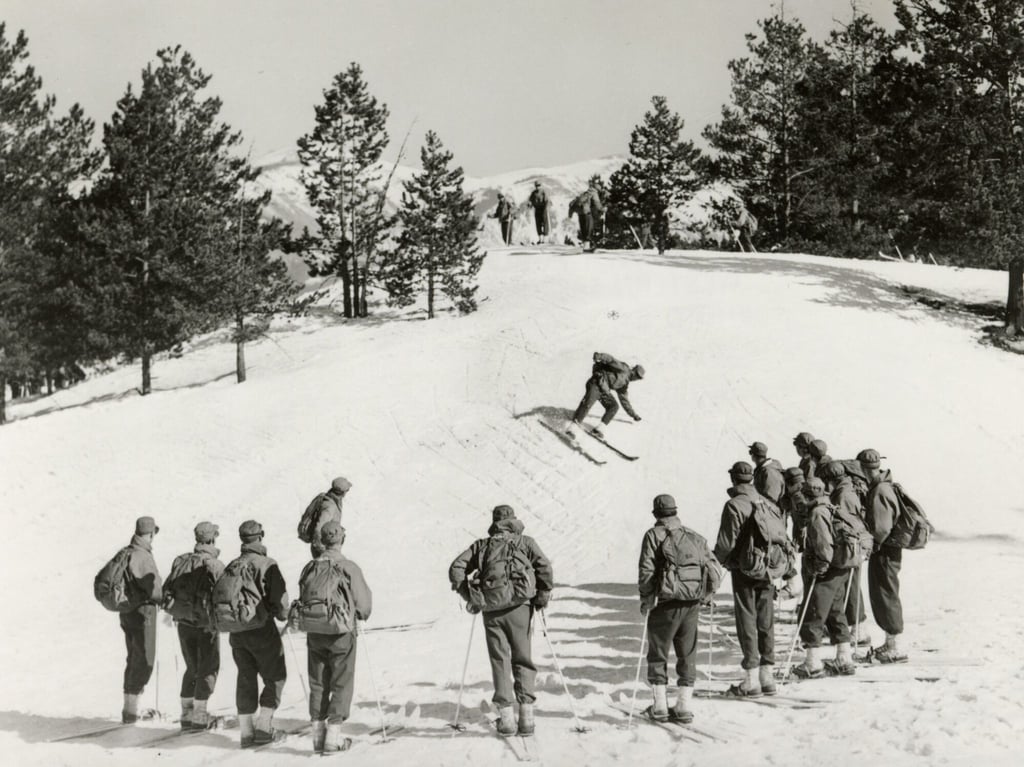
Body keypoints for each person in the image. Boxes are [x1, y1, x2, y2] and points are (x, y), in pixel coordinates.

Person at [448, 505, 554, 737]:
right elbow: (544, 567)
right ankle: (526, 718)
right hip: (520, 607)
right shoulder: (525, 542)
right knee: (523, 658)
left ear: (494, 522)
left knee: (500, 660)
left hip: (492, 611)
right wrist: (542, 596)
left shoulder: (482, 546)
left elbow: (456, 569)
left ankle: (506, 720)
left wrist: (472, 598)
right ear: (514, 520)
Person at [638, 494, 721, 723]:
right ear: (675, 512)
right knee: (687, 653)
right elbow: (712, 567)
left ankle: (660, 706)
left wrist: (646, 600)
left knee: (658, 653)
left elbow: (647, 571)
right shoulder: (693, 536)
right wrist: (705, 595)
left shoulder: (653, 535)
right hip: (692, 603)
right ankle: (684, 706)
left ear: (656, 514)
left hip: (665, 603)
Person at [295, 522, 373, 754]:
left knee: (318, 682)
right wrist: (359, 614)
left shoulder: (309, 567)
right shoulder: (348, 567)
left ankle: (317, 737)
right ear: (341, 540)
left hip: (315, 631)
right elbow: (364, 605)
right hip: (341, 632)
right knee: (341, 681)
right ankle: (333, 738)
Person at [714, 462, 784, 697]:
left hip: (744, 569)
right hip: (768, 568)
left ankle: (751, 679)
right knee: (766, 619)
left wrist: (723, 561)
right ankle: (768, 676)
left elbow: (726, 543)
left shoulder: (734, 505)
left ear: (734, 479)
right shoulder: (766, 502)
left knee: (747, 619)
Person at [220, 520, 290, 747]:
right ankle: (264, 727)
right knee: (275, 676)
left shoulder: (231, 565)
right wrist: (284, 616)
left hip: (237, 633)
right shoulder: (266, 564)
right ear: (261, 536)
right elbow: (280, 603)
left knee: (245, 677)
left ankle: (246, 732)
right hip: (261, 630)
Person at [163, 521, 225, 731]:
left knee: (191, 667)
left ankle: (186, 713)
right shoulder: (215, 565)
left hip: (184, 623)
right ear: (212, 539)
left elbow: (166, 589)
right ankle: (199, 716)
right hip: (207, 625)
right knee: (208, 667)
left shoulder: (181, 561)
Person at [792, 479, 855, 678]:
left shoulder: (817, 513)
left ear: (807, 494)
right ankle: (844, 658)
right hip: (840, 569)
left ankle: (813, 663)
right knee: (836, 612)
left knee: (813, 613)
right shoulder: (830, 507)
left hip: (826, 570)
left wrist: (820, 568)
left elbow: (823, 545)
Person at [858, 449, 908, 664]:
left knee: (885, 594)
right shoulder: (887, 485)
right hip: (888, 549)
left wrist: (871, 544)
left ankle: (895, 646)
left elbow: (881, 527)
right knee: (886, 593)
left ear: (862, 468)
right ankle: (891, 642)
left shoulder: (879, 490)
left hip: (884, 550)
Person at [118, 516, 164, 723]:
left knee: (133, 655)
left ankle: (129, 709)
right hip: (144, 611)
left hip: (127, 611)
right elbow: (153, 590)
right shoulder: (143, 555)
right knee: (145, 659)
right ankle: (133, 710)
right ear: (151, 533)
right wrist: (164, 599)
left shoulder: (126, 551)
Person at [821, 462, 870, 647]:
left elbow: (847, 524)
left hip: (850, 548)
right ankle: (857, 628)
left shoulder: (843, 495)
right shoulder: (847, 489)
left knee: (852, 587)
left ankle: (859, 629)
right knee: (851, 586)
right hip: (853, 547)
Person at [568, 351, 644, 439]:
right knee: (588, 403)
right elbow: (611, 360)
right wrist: (599, 356)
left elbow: (624, 401)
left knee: (613, 406)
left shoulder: (624, 385)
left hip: (604, 390)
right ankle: (572, 428)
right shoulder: (624, 369)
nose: (637, 379)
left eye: (639, 378)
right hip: (596, 383)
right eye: (638, 377)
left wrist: (634, 415)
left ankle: (598, 429)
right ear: (634, 372)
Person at [299, 477, 352, 557]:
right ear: (341, 492)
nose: (347, 492)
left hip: (327, 545)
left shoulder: (328, 498)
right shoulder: (330, 507)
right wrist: (323, 550)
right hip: (325, 548)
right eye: (347, 490)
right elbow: (318, 529)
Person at [777, 467, 807, 600]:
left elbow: (805, 519)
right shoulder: (804, 491)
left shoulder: (798, 497)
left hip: (808, 538)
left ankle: (801, 594)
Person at [569, 182, 604, 251]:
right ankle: (586, 247)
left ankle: (585, 246)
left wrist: (570, 214)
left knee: (583, 228)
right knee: (589, 228)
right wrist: (603, 209)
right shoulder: (594, 193)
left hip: (580, 213)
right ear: (597, 189)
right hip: (586, 212)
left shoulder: (585, 193)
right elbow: (597, 203)